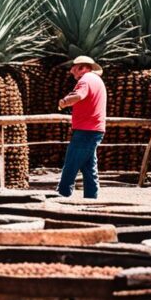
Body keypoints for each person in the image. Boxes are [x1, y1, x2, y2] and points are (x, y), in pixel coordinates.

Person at [56, 56, 108, 199]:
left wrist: (63, 102)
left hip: (86, 130)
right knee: (88, 166)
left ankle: (63, 193)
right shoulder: (96, 80)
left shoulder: (85, 80)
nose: (72, 70)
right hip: (94, 129)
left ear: (82, 67)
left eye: (74, 67)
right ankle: (91, 197)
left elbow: (79, 95)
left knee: (71, 163)